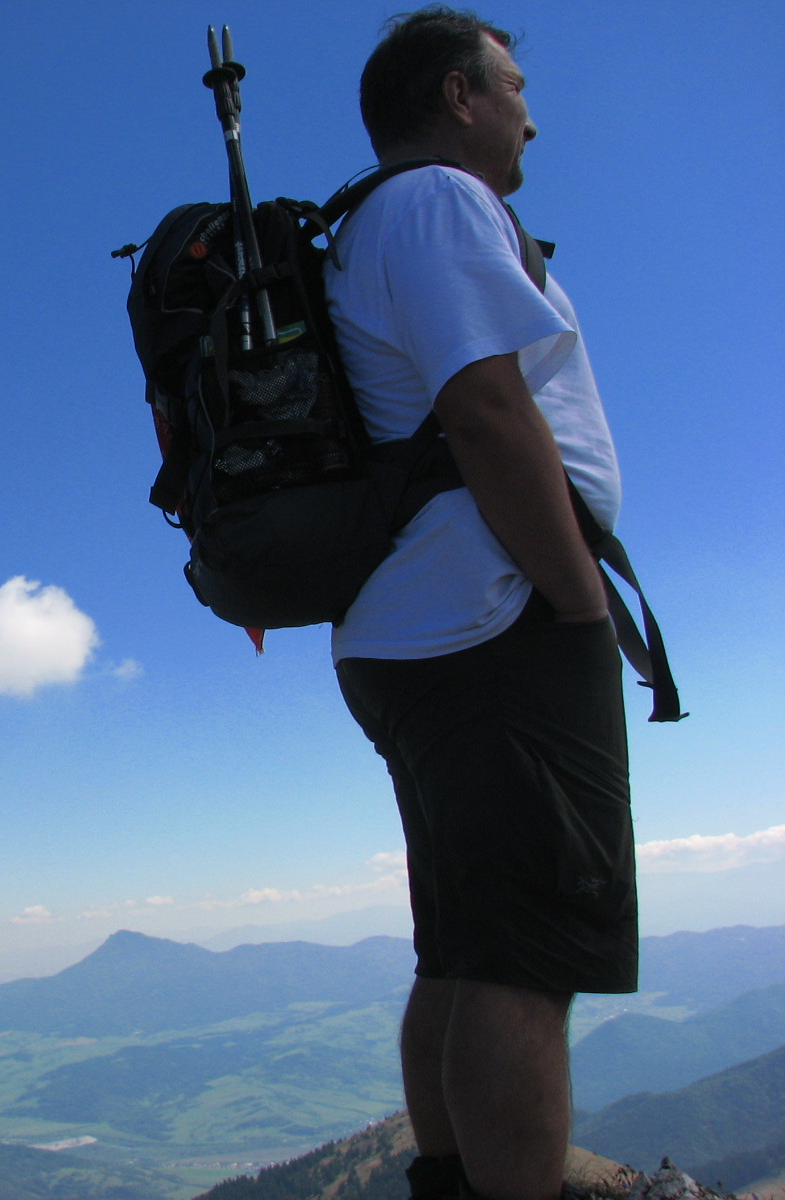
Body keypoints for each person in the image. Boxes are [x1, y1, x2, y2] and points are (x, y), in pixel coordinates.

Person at [323, 9, 637, 1200]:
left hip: (414, 627)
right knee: (528, 957)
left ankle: (452, 1185)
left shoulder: (369, 225)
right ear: (457, 96)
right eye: (512, 86)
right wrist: (578, 601)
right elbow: (487, 412)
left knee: (462, 945)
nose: (530, 116)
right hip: (494, 615)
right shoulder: (438, 202)